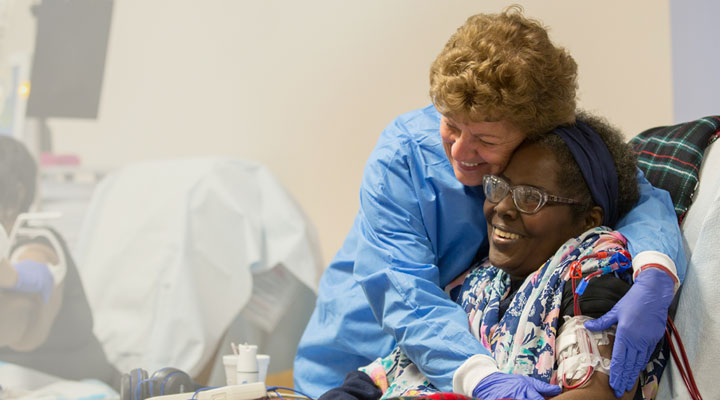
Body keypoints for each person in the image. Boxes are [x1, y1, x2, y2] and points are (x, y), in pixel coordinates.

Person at [295, 8, 684, 399]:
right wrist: (484, 380)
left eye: (487, 139)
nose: (461, 151)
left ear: (537, 133)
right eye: (450, 123)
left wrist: (656, 270)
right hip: (364, 355)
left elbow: (640, 199)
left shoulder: (584, 246)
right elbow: (404, 294)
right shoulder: (404, 158)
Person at [320, 113, 671, 400]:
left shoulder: (591, 270)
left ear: (588, 219)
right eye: (498, 186)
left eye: (530, 197)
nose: (502, 207)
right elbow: (390, 370)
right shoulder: (480, 279)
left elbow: (597, 392)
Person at [0, 134, 119, 385]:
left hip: (80, 387)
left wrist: (9, 275)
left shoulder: (37, 241)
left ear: (16, 195)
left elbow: (37, 274)